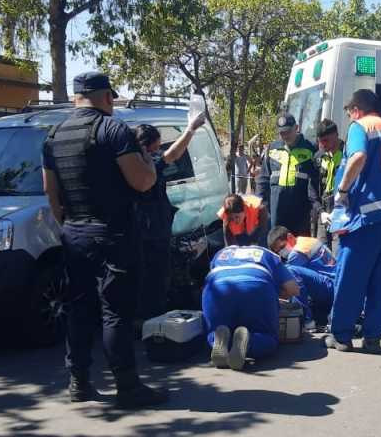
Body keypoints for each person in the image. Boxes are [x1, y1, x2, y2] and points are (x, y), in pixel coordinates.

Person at [41, 71, 164, 408]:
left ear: (76, 97)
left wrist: (70, 226)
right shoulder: (113, 129)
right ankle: (127, 387)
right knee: (116, 312)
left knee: (78, 309)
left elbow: (50, 194)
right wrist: (150, 165)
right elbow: (140, 182)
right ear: (107, 96)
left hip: (74, 234)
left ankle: (78, 383)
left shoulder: (54, 136)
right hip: (114, 234)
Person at [323, 89, 381, 354]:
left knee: (351, 276)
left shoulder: (360, 127)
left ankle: (341, 335)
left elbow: (358, 157)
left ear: (356, 109)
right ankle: (373, 337)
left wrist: (342, 191)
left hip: (366, 218)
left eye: (348, 112)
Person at [133, 114, 206, 320]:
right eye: (156, 146)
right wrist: (190, 129)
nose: (159, 151)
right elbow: (173, 154)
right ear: (147, 147)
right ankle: (153, 322)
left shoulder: (128, 165)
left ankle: (145, 319)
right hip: (152, 232)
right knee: (154, 280)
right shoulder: (146, 163)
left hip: (142, 230)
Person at [202, 245, 301, 371]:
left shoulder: (221, 253)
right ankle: (249, 342)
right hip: (256, 283)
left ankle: (217, 339)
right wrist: (274, 295)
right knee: (267, 336)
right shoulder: (267, 254)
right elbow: (293, 289)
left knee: (214, 329)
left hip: (216, 286)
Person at [256, 113, 320, 236]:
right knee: (276, 244)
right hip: (277, 208)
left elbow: (316, 181)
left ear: (296, 128)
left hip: (300, 209)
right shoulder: (272, 149)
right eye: (281, 133)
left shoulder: (310, 148)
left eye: (288, 132)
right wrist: (260, 202)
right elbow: (263, 178)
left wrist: (316, 206)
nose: (285, 136)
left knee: (299, 246)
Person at [311, 119, 345, 243]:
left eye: (326, 140)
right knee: (322, 251)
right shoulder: (318, 157)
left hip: (342, 209)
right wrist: (320, 211)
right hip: (323, 210)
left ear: (336, 135)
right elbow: (312, 188)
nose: (323, 145)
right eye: (320, 141)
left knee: (338, 250)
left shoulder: (347, 154)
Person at [267, 225, 336, 274]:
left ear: (290, 237)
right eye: (278, 252)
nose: (282, 253)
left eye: (282, 247)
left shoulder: (296, 253)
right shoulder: (306, 240)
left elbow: (290, 278)